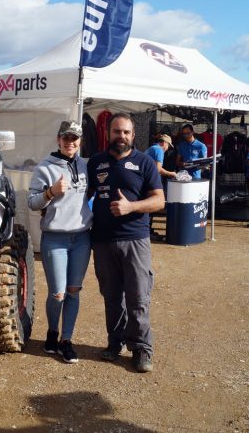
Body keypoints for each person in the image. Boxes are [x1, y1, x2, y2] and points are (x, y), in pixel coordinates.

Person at [87, 113, 164, 373]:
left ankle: (142, 348)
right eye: (117, 132)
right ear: (108, 134)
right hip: (102, 240)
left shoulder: (145, 163)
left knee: (138, 296)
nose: (122, 137)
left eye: (126, 133)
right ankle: (115, 342)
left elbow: (159, 201)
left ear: (133, 135)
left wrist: (131, 206)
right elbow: (84, 195)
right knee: (111, 297)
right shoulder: (96, 162)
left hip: (135, 240)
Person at [28, 120, 93, 364]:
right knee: (58, 293)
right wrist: (51, 192)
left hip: (82, 238)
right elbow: (32, 203)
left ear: (80, 141)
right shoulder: (45, 167)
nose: (70, 142)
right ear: (58, 139)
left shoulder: (86, 166)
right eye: (66, 137)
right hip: (55, 238)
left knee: (74, 291)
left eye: (75, 138)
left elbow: (92, 195)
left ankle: (66, 340)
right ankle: (52, 333)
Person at [144, 133, 176, 241]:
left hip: (144, 181)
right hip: (148, 182)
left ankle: (148, 230)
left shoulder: (152, 148)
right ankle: (148, 232)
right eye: (168, 146)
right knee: (151, 205)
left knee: (149, 206)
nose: (167, 149)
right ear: (164, 143)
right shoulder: (159, 150)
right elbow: (158, 169)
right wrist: (172, 174)